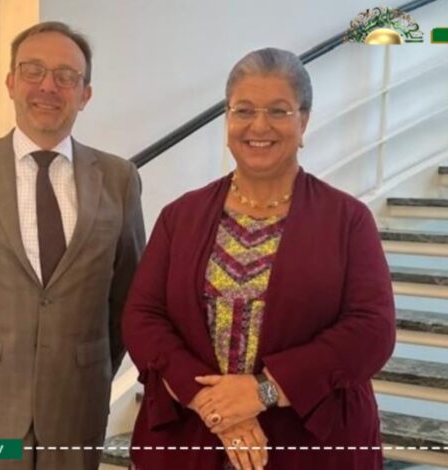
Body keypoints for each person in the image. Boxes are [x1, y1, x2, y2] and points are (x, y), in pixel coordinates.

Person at [122, 47, 395, 470]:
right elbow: (143, 317)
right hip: (192, 438)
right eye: (244, 110)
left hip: (312, 446)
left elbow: (371, 330)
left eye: (279, 111)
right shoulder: (180, 216)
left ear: (304, 121)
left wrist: (263, 391)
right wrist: (210, 402)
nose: (259, 126)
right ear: (227, 119)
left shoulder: (348, 219)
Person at [0, 21, 145, 470]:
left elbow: (127, 293)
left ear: (85, 94)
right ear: (10, 82)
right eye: (33, 70)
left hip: (77, 400)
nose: (48, 86)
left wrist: (90, 364)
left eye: (66, 76)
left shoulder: (119, 178)